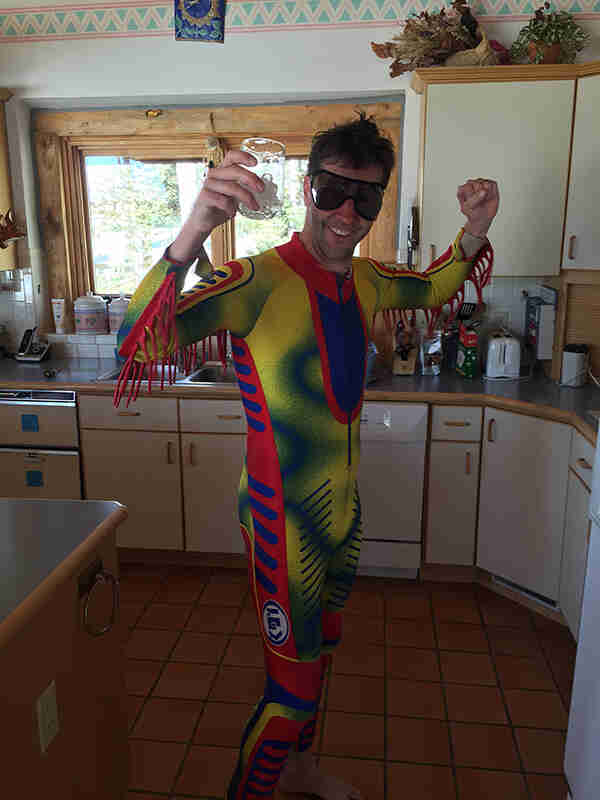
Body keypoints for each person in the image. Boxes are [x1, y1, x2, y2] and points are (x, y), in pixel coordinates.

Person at [116, 113, 499, 800]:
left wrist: (474, 228)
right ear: (307, 190)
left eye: (367, 198)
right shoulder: (254, 281)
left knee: (318, 659)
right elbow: (138, 346)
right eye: (332, 192)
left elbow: (435, 286)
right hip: (280, 522)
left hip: (342, 517)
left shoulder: (371, 281)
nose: (348, 214)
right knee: (289, 689)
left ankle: (298, 768)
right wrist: (195, 228)